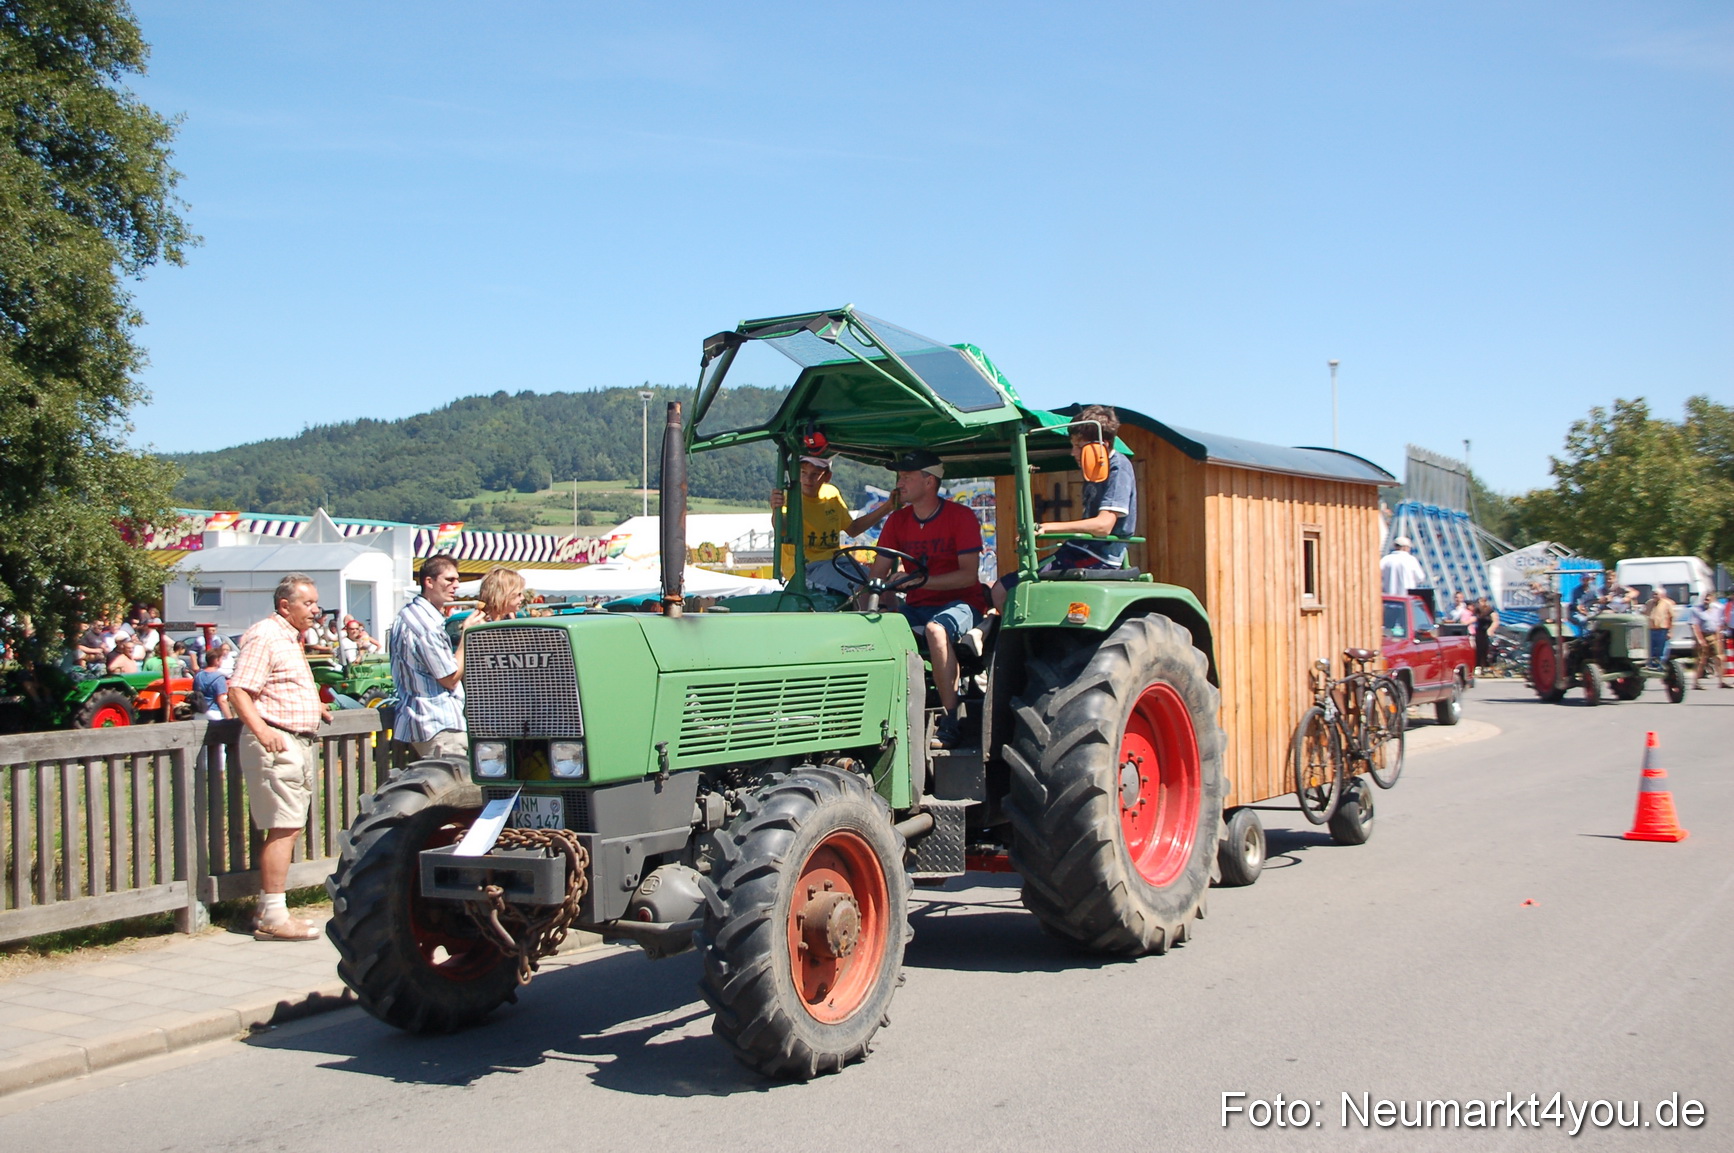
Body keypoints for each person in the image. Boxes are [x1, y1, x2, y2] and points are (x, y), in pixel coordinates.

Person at [227, 573, 330, 942]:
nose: (315, 610)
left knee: (289, 824)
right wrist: (263, 731)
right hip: (277, 741)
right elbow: (238, 689)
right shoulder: (266, 635)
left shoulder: (287, 637)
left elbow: (276, 686)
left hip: (293, 739)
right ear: (285, 605)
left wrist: (313, 706)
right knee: (283, 827)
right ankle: (273, 915)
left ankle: (267, 909)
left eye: (316, 603)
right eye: (308, 603)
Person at [867, 450, 987, 748]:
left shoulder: (961, 517)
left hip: (962, 604)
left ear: (929, 481)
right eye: (899, 477)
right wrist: (871, 596)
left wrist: (918, 581)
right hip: (917, 605)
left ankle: (951, 717)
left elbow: (968, 577)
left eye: (906, 477)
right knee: (873, 630)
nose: (899, 484)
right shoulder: (897, 521)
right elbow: (878, 573)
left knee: (937, 629)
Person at [987, 405, 1138, 617]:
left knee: (1006, 590)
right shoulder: (1094, 470)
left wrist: (1047, 528)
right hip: (1080, 548)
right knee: (1002, 588)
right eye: (1073, 446)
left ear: (1102, 445)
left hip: (1098, 555)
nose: (1073, 452)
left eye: (1079, 446)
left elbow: (1104, 526)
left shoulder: (1118, 468)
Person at [769, 455, 897, 595]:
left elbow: (853, 529)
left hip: (837, 560)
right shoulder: (790, 499)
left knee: (880, 584)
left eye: (815, 474)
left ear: (827, 477)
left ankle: (894, 613)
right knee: (863, 590)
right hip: (806, 568)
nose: (808, 479)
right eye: (803, 473)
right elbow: (781, 528)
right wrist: (776, 510)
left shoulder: (831, 494)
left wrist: (889, 506)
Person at [390, 554, 475, 760]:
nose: (456, 586)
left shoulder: (407, 614)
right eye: (449, 580)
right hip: (437, 722)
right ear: (429, 582)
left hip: (423, 720)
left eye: (457, 580)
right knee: (458, 789)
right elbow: (449, 677)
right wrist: (467, 635)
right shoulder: (427, 625)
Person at [1688, 592, 1726, 689]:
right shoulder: (1697, 610)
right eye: (1705, 599)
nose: (1706, 601)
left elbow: (1719, 625)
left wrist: (1719, 638)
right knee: (1701, 660)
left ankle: (1722, 681)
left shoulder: (1717, 610)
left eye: (1708, 599)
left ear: (1712, 600)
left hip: (1714, 635)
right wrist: (1700, 639)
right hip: (1703, 635)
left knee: (1719, 658)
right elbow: (1694, 625)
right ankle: (1696, 683)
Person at [193, 649, 233, 719]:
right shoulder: (219, 677)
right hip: (214, 714)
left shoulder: (198, 675)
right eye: (221, 659)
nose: (221, 661)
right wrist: (229, 717)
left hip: (199, 713)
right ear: (216, 660)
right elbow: (222, 700)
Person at [1644, 587, 1675, 669]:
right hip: (1650, 630)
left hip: (1662, 630)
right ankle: (1651, 665)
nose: (1654, 595)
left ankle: (1660, 666)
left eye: (1656, 594)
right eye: (1653, 594)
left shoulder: (1667, 603)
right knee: (1651, 649)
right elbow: (1644, 614)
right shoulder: (1649, 603)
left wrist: (1670, 631)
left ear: (1662, 595)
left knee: (1661, 649)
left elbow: (1672, 617)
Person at [1472, 596, 1498, 675]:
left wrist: (1491, 629)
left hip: (1487, 631)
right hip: (1479, 631)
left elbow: (1495, 621)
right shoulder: (1477, 611)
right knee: (1478, 649)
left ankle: (1487, 666)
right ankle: (1478, 666)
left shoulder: (1490, 610)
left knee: (1487, 649)